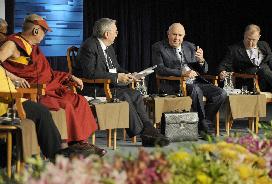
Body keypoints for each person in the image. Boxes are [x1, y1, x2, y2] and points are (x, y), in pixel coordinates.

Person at [0, 14, 106, 156]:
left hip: (47, 87)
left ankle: (80, 143)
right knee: (66, 105)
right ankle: (70, 145)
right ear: (36, 31)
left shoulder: (33, 47)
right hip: (31, 91)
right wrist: (14, 78)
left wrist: (70, 76)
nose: (45, 35)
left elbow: (47, 74)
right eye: (44, 31)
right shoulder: (13, 44)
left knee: (79, 100)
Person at [74, 18, 170, 147]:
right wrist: (117, 77)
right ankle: (144, 134)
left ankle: (149, 129)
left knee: (135, 94)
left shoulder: (108, 48)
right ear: (107, 34)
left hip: (109, 86)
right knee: (124, 96)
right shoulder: (89, 46)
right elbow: (89, 74)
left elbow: (117, 68)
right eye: (115, 31)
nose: (117, 34)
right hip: (93, 88)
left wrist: (131, 75)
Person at [152, 23, 227, 136]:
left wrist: (201, 60)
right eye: (174, 34)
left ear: (184, 36)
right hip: (173, 83)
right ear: (168, 34)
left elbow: (204, 70)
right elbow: (160, 69)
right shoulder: (159, 47)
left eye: (180, 35)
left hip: (195, 81)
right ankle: (203, 127)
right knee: (196, 89)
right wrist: (182, 73)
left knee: (221, 93)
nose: (177, 38)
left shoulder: (190, 46)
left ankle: (203, 123)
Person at [218, 24, 272, 105]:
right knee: (263, 71)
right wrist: (222, 72)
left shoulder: (264, 45)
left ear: (259, 37)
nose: (250, 42)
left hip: (269, 82)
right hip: (251, 83)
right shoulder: (234, 49)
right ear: (244, 35)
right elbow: (223, 65)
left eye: (254, 40)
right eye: (248, 39)